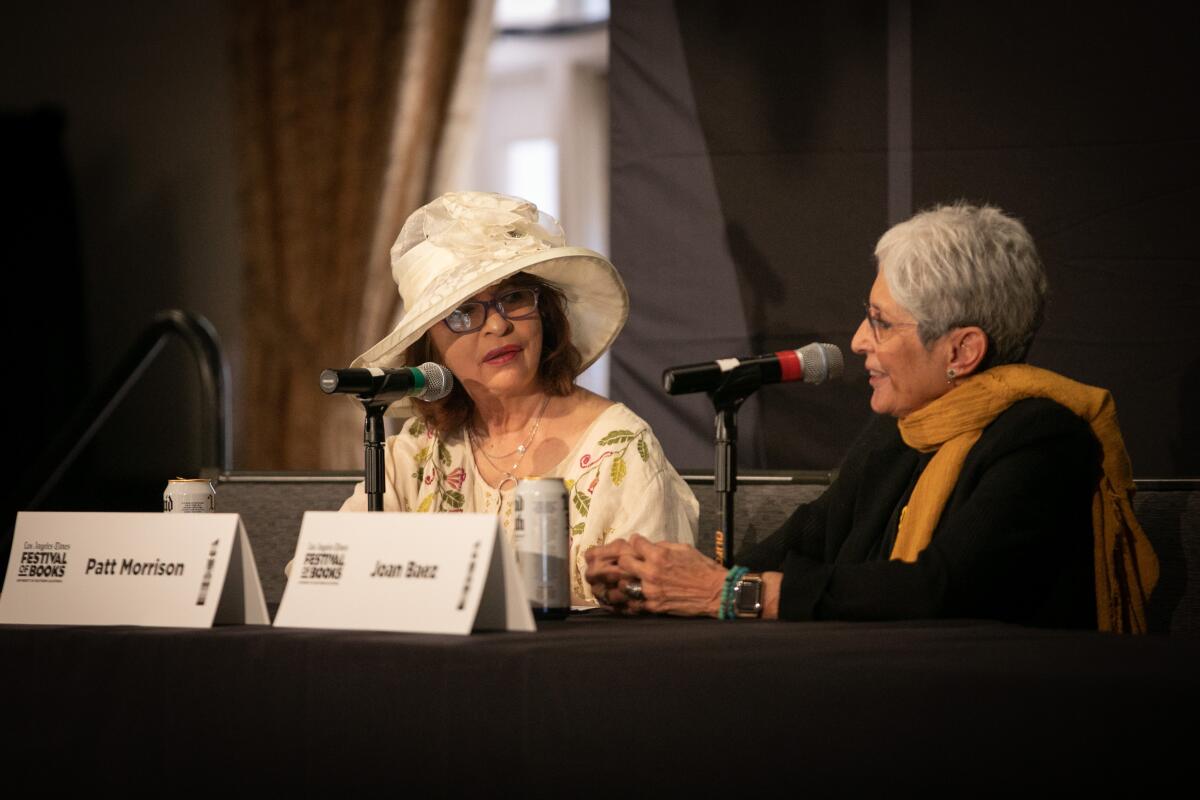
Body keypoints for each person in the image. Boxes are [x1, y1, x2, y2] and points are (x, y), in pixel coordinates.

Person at [586, 203, 1158, 632]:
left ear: (961, 351)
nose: (859, 341)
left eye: (881, 323)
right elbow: (804, 540)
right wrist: (664, 583)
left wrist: (732, 594)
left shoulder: (1044, 441)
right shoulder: (896, 431)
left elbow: (940, 589)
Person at [341, 191, 698, 605]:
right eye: (463, 312)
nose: (497, 325)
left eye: (513, 298)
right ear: (430, 346)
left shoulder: (622, 447)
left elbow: (657, 613)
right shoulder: (417, 448)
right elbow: (326, 575)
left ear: (544, 313)